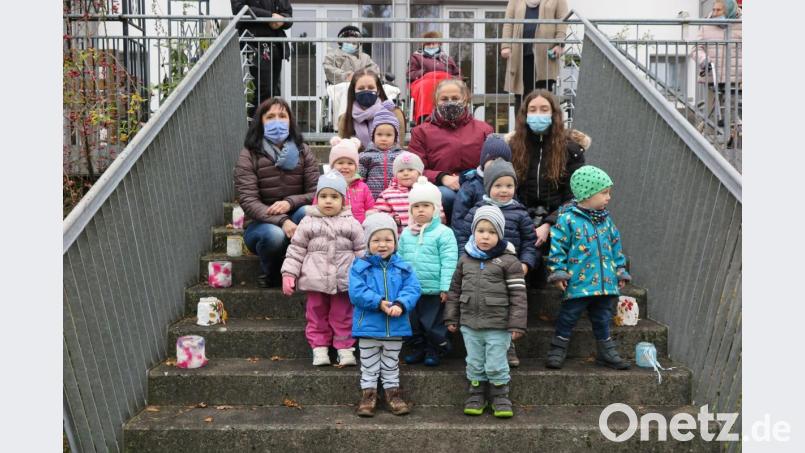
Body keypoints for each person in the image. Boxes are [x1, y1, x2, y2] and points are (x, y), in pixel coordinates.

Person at [544, 165, 631, 370]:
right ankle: (558, 348)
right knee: (568, 316)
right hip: (578, 282)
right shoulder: (567, 219)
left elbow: (616, 247)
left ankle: (606, 351)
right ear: (587, 194)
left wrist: (620, 270)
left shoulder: (606, 221)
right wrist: (558, 272)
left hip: (605, 283)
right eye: (604, 193)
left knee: (603, 317)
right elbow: (558, 248)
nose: (608, 197)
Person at [444, 206, 527, 418]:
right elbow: (454, 290)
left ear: (500, 234)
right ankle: (476, 394)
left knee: (496, 362)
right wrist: (451, 316)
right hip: (470, 323)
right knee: (474, 361)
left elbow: (518, 295)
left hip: (498, 324)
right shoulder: (465, 259)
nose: (485, 236)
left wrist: (517, 323)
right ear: (474, 232)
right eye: (481, 231)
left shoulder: (509, 261)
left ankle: (500, 396)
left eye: (491, 232)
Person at [455, 158, 537, 368]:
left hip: (509, 270)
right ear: (488, 186)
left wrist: (526, 262)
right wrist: (465, 262)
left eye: (509, 185)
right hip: (480, 268)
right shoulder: (476, 211)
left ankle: (507, 346)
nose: (504, 190)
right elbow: (464, 238)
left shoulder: (520, 213)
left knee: (507, 307)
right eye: (498, 185)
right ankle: (478, 349)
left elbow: (529, 242)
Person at [280, 170, 365, 367]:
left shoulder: (352, 223)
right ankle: (319, 348)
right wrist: (289, 273)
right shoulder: (308, 222)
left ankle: (345, 348)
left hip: (343, 280)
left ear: (343, 200)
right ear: (316, 198)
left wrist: (365, 276)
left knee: (343, 315)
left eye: (334, 197)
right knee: (316, 314)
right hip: (315, 280)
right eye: (324, 196)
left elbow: (362, 252)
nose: (328, 201)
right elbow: (296, 249)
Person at [235, 98, 319, 288]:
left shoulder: (303, 151)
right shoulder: (249, 154)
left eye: (282, 116)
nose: (277, 121)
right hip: (261, 224)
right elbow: (248, 200)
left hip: (296, 216)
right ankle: (271, 273)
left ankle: (308, 271)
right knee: (275, 236)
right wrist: (282, 220)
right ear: (260, 121)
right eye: (270, 117)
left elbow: (316, 192)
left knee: (308, 212)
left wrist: (290, 202)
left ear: (290, 120)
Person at [507, 89, 590, 283]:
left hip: (558, 217)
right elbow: (509, 190)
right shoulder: (513, 147)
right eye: (533, 109)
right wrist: (526, 222)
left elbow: (575, 195)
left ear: (554, 114)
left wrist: (548, 224)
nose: (538, 114)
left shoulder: (570, 149)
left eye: (544, 109)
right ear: (525, 114)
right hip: (522, 216)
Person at [349, 213, 421, 417]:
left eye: (388, 239)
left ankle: (393, 394)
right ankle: (368, 395)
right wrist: (378, 302)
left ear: (395, 242)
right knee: (369, 365)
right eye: (376, 240)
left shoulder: (403, 267)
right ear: (368, 243)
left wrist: (401, 303)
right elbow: (356, 292)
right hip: (368, 327)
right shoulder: (360, 267)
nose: (382, 244)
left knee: (391, 364)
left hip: (395, 327)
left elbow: (413, 288)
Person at [408, 79, 493, 219]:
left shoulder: (484, 130)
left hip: (476, 185)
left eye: (455, 98)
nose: (450, 102)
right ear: (436, 101)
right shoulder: (421, 132)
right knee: (444, 195)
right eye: (444, 99)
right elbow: (415, 169)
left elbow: (492, 163)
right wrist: (442, 177)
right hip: (441, 188)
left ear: (465, 99)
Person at [397, 177, 458, 367]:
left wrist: (446, 287)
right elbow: (399, 260)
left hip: (434, 289)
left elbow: (449, 261)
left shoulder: (444, 233)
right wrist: (398, 284)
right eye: (416, 206)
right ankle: (419, 348)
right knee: (413, 323)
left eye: (426, 206)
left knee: (432, 324)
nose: (420, 210)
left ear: (435, 209)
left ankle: (435, 349)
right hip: (411, 290)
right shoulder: (406, 233)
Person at [501, 0, 569, 112]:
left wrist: (559, 43)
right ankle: (521, 123)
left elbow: (563, 20)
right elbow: (508, 22)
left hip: (545, 55)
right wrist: (505, 45)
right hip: (521, 55)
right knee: (521, 94)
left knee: (544, 94)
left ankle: (543, 122)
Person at [690, 0, 742, 146]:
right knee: (710, 115)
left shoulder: (742, 23)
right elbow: (696, 48)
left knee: (734, 114)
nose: (714, 13)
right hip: (712, 77)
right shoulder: (707, 24)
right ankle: (707, 147)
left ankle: (733, 143)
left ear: (729, 11)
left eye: (718, 10)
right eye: (714, 9)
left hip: (736, 79)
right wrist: (703, 60)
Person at [231, 0, 293, 114]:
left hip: (275, 45)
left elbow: (289, 16)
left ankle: (262, 121)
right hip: (255, 44)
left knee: (271, 91)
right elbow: (238, 9)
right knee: (264, 89)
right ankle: (256, 122)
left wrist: (282, 19)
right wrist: (270, 17)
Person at [451, 135, 513, 239]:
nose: (497, 163)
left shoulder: (510, 184)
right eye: (493, 159)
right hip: (477, 239)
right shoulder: (471, 185)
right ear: (484, 161)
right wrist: (463, 242)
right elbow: (459, 217)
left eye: (502, 160)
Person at [375, 152, 446, 233]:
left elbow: (439, 215)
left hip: (428, 235)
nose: (405, 173)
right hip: (401, 237)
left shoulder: (429, 191)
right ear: (395, 175)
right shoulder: (387, 194)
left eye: (410, 170)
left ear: (419, 173)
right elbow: (378, 217)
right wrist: (392, 218)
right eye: (401, 171)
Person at [338, 69, 407, 149]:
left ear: (378, 90)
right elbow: (341, 150)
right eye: (361, 88)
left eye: (371, 88)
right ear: (353, 91)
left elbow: (398, 148)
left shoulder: (394, 114)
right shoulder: (345, 119)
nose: (366, 91)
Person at [358, 102, 404, 199]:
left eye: (388, 135)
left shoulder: (401, 156)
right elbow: (359, 178)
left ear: (395, 137)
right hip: (372, 198)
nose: (383, 138)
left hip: (394, 198)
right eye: (379, 134)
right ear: (373, 136)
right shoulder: (366, 156)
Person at [325, 137, 375, 223]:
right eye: (340, 163)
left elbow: (371, 209)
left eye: (350, 163)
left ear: (356, 167)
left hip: (359, 227)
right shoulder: (326, 186)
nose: (345, 166)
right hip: (335, 227)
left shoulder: (363, 187)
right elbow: (318, 207)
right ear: (332, 166)